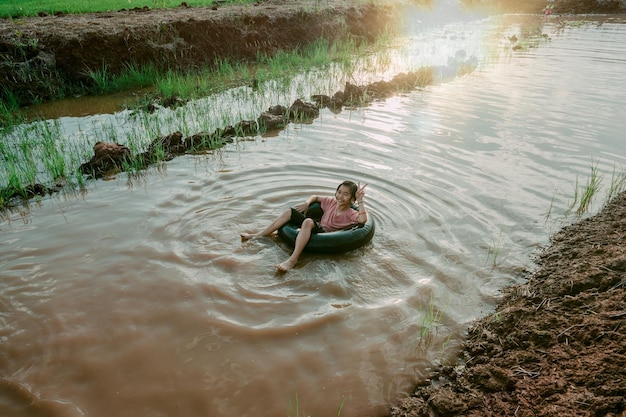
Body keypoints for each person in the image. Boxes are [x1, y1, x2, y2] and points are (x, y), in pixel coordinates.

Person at [240, 180, 368, 272]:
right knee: (290, 212)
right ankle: (258, 235)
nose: (340, 196)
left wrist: (360, 200)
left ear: (352, 199)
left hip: (327, 234)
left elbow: (362, 220)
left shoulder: (351, 213)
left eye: (345, 194)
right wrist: (307, 203)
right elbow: (316, 197)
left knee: (307, 222)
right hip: (318, 226)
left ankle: (293, 259)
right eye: (339, 192)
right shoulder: (331, 202)